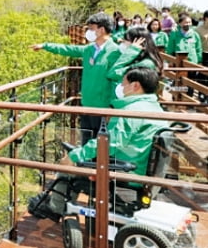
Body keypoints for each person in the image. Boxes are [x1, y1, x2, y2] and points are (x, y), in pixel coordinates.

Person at [29, 67, 169, 219]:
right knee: (80, 158)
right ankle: (56, 202)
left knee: (68, 166)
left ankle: (55, 208)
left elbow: (108, 144)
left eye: (123, 84)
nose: (120, 88)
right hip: (140, 168)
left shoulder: (130, 111)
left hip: (125, 172)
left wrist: (74, 156)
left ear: (135, 86)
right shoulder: (156, 108)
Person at [31, 12, 121, 144]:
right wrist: (45, 46)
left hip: (103, 108)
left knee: (101, 146)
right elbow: (68, 49)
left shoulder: (115, 52)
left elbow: (117, 80)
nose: (88, 32)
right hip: (86, 104)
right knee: (86, 142)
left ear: (101, 30)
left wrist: (113, 108)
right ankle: (84, 164)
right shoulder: (89, 49)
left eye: (91, 29)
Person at [107, 27, 164, 93]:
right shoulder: (135, 57)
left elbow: (113, 73)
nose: (123, 42)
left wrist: (132, 51)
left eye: (126, 40)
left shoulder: (145, 63)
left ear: (139, 43)